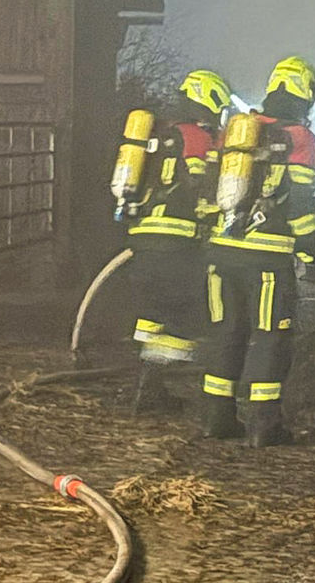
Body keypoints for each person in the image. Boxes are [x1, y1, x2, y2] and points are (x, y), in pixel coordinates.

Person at [201, 56, 315, 446]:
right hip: (267, 258)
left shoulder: (238, 132)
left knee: (227, 331)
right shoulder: (300, 139)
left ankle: (216, 419)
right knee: (271, 336)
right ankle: (263, 425)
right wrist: (312, 256)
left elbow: (208, 191)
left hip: (221, 254)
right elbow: (301, 205)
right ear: (306, 94)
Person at [126, 69, 232, 414]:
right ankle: (158, 391)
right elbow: (205, 188)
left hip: (143, 239)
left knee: (153, 313)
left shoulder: (161, 132)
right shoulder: (199, 138)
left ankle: (146, 386)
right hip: (179, 239)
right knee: (186, 314)